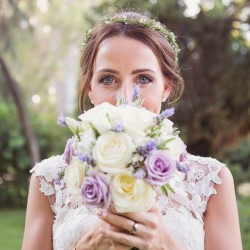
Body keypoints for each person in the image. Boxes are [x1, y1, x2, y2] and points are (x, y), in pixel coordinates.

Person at [22, 11, 242, 250]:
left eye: (144, 79)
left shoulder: (212, 182)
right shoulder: (49, 180)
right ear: (90, 90)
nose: (125, 98)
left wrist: (165, 244)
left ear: (166, 87)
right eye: (108, 79)